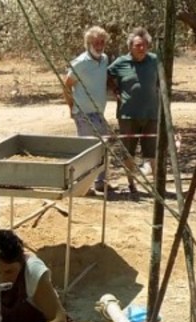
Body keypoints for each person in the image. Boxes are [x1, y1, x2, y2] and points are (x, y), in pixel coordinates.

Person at [107, 27, 160, 200]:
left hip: (151, 114)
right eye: (138, 45)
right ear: (130, 47)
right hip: (127, 116)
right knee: (128, 153)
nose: (141, 48)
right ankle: (132, 185)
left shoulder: (154, 61)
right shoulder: (121, 62)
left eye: (144, 45)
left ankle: (157, 187)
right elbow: (107, 75)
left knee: (152, 153)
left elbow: (161, 81)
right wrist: (115, 90)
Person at [63, 25, 110, 195]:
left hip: (99, 113)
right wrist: (72, 107)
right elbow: (67, 85)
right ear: (88, 43)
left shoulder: (104, 59)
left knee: (102, 147)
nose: (99, 45)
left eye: (102, 42)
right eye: (95, 42)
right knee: (86, 150)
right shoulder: (81, 63)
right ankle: (83, 186)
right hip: (83, 114)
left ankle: (100, 182)